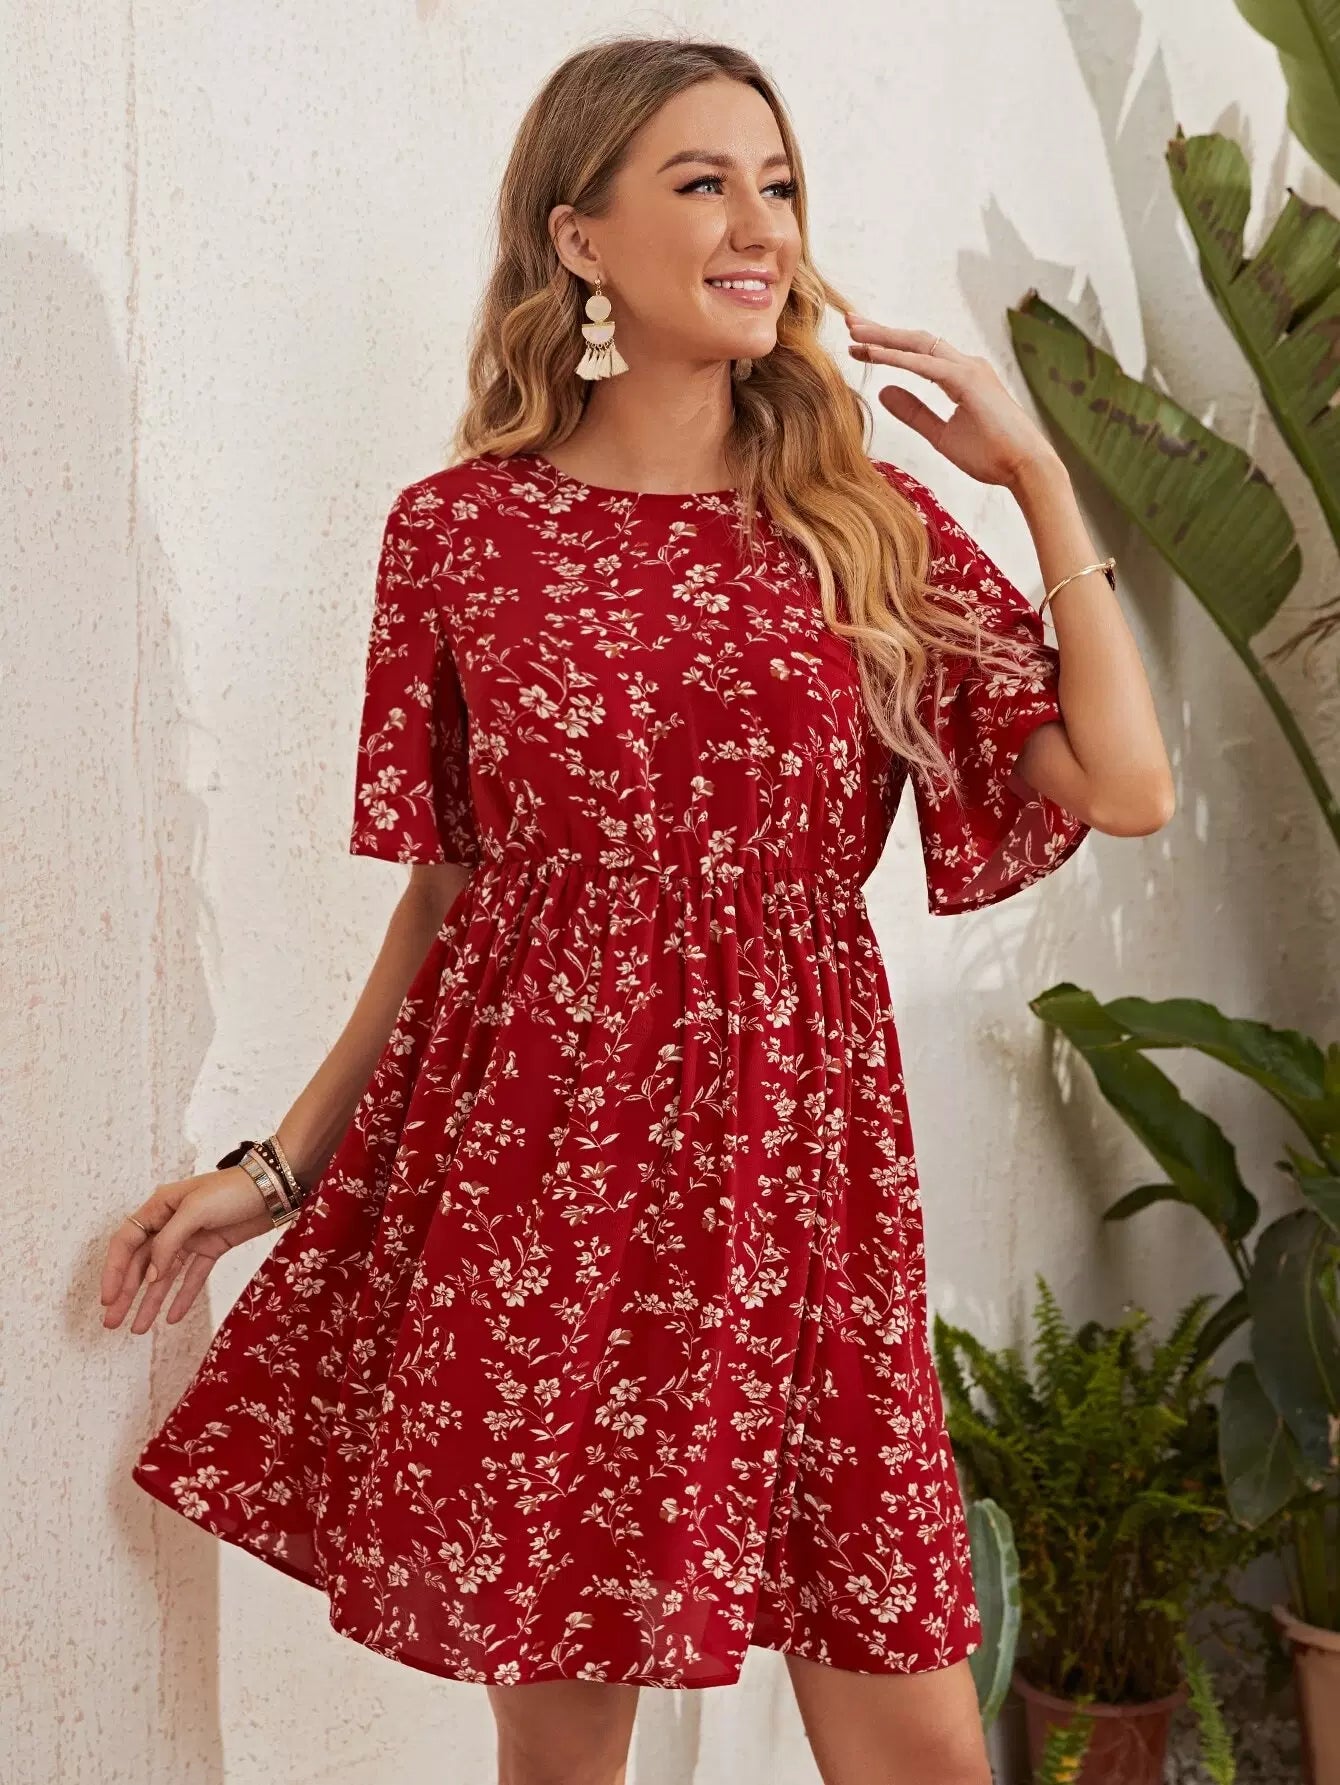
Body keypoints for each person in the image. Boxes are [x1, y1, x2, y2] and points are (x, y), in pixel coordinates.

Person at [100, 34, 1174, 1785]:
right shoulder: (460, 534)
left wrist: (1035, 477)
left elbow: (1124, 784)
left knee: (915, 1732)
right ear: (578, 235)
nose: (760, 223)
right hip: (548, 1182)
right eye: (703, 182)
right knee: (563, 1751)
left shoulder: (867, 526)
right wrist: (279, 1171)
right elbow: (451, 900)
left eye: (779, 184)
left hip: (801, 1176)